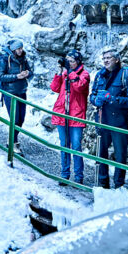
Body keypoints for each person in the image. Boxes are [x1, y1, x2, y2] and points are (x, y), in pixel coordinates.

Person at [89, 48, 128, 189]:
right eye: (104, 58)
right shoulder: (100, 75)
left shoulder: (126, 75)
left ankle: (119, 185)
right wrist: (95, 100)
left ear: (117, 59)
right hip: (102, 120)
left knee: (120, 155)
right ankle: (103, 183)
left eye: (109, 58)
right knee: (101, 153)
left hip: (120, 122)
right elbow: (92, 95)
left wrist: (112, 99)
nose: (106, 60)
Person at [50, 50, 90, 184]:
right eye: (68, 61)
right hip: (62, 113)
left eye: (72, 61)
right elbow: (54, 88)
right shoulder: (65, 73)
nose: (69, 63)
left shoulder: (84, 74)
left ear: (78, 61)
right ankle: (64, 175)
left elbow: (80, 87)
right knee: (64, 145)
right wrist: (59, 73)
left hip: (76, 116)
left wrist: (70, 72)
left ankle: (79, 177)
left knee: (76, 146)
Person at [0, 38, 32, 153]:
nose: (21, 51)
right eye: (18, 49)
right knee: (15, 118)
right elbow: (0, 76)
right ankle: (13, 142)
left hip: (22, 90)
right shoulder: (4, 59)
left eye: (21, 48)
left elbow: (30, 71)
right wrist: (17, 76)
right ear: (13, 49)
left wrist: (27, 73)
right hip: (10, 92)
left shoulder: (23, 58)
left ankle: (11, 140)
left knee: (21, 119)